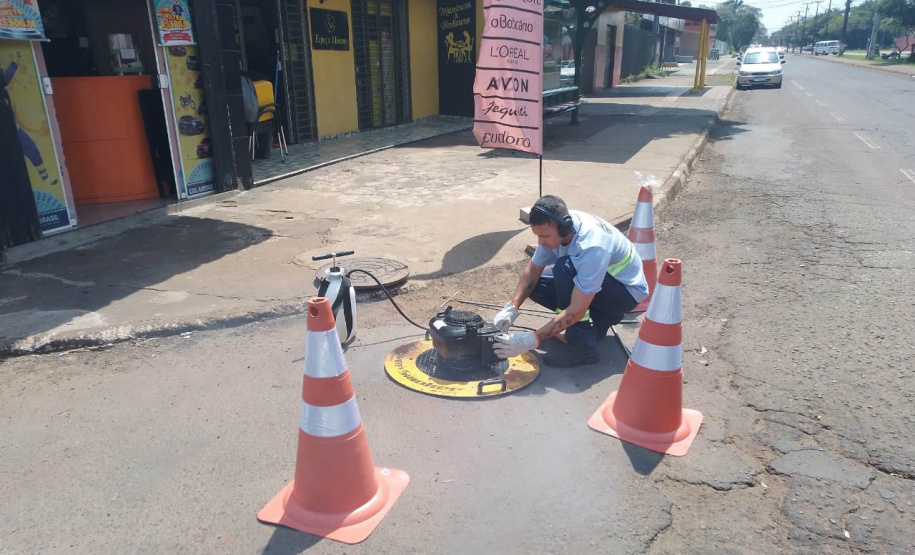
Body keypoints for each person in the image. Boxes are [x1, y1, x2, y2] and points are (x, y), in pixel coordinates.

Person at [492, 195, 649, 367]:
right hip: (601, 285)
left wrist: (533, 339)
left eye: (545, 236)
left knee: (564, 269)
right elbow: (532, 272)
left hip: (625, 293)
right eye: (537, 236)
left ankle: (582, 349)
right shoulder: (558, 224)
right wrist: (512, 307)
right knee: (538, 285)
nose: (541, 242)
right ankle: (600, 321)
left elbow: (577, 310)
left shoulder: (591, 246)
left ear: (564, 228)